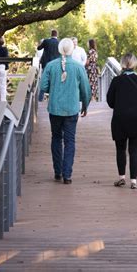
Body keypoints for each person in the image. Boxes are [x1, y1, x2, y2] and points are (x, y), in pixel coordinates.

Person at [40, 38, 91, 184]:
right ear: (71, 50)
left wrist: (54, 89)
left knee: (56, 138)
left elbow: (43, 86)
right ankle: (67, 175)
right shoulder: (78, 67)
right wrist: (85, 105)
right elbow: (86, 89)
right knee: (70, 141)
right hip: (71, 109)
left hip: (55, 108)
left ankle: (58, 172)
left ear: (59, 49)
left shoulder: (50, 66)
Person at [106, 53, 137, 189]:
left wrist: (120, 105)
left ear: (122, 64)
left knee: (120, 149)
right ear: (134, 64)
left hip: (120, 119)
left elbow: (110, 101)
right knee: (134, 151)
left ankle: (121, 178)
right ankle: (134, 181)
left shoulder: (116, 81)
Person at [37, 29, 60, 101]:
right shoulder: (59, 43)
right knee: (55, 81)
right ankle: (53, 98)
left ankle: (40, 98)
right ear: (57, 35)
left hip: (46, 64)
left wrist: (41, 43)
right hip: (56, 65)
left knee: (44, 80)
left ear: (51, 34)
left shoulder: (46, 41)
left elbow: (38, 48)